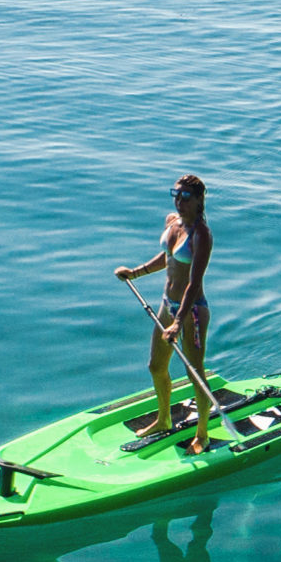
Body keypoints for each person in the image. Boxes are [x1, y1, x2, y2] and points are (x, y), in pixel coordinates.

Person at [116, 173, 215, 452]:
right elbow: (168, 258)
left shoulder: (202, 235)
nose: (179, 201)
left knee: (194, 371)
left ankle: (203, 434)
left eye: (185, 197)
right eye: (176, 194)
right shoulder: (173, 223)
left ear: (199, 201)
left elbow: (194, 284)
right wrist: (135, 273)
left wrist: (178, 322)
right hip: (167, 305)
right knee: (156, 366)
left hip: (192, 312)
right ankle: (163, 419)